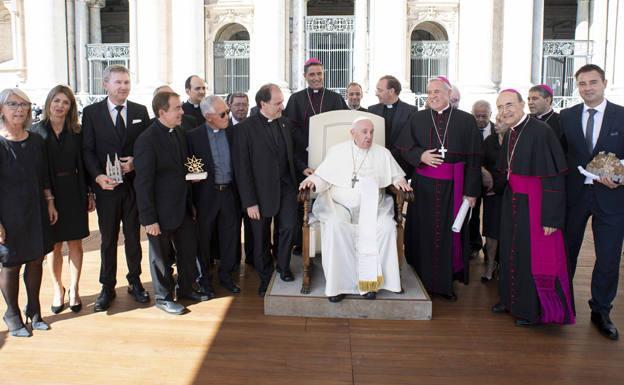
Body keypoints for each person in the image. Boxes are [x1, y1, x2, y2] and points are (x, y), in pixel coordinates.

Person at [299, 117, 411, 302]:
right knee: (336, 227)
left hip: (374, 207)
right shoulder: (337, 151)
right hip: (339, 206)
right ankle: (339, 285)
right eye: (364, 132)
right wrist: (311, 181)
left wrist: (401, 183)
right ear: (353, 133)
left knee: (386, 228)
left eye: (371, 132)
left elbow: (396, 176)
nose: (369, 136)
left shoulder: (382, 153)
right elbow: (323, 176)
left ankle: (371, 283)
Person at [491, 89, 574, 327]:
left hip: (536, 203)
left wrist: (551, 218)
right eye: (499, 107)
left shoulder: (541, 131)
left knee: (533, 257)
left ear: (522, 105)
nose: (504, 111)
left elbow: (554, 178)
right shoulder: (510, 133)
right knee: (510, 252)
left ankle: (532, 310)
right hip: (514, 202)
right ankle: (509, 301)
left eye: (509, 105)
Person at [398, 77, 482, 301]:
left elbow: (475, 158)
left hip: (454, 188)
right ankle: (420, 281)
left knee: (450, 235)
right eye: (429, 92)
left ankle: (446, 284)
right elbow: (404, 146)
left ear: (448, 93)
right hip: (424, 187)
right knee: (423, 232)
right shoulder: (418, 118)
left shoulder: (466, 120)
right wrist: (420, 155)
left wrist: (471, 192)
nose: (432, 95)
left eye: (437, 91)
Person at [560, 64, 624, 340]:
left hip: (611, 197)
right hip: (573, 197)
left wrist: (620, 174)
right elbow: (558, 154)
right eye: (582, 83)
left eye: (593, 82)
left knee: (609, 259)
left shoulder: (621, 116)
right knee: (566, 253)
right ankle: (562, 305)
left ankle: (601, 311)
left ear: (604, 83)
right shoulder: (566, 116)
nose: (587, 88)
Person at [134, 91, 210, 315]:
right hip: (159, 213)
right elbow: (143, 183)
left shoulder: (178, 132)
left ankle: (186, 288)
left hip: (183, 207)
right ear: (162, 112)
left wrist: (196, 182)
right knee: (160, 257)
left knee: (188, 250)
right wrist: (149, 219)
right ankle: (163, 297)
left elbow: (184, 166)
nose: (182, 112)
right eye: (177, 108)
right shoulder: (146, 140)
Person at [82, 64, 151, 312]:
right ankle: (107, 287)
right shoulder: (91, 113)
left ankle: (135, 282)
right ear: (105, 84)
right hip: (107, 188)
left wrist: (136, 162)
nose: (123, 87)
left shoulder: (141, 111)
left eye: (126, 82)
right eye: (118, 82)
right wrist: (98, 177)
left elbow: (147, 147)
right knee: (108, 240)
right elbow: (87, 150)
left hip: (133, 187)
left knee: (134, 237)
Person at [30, 85, 94, 314]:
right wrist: (48, 198)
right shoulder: (36, 132)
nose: (60, 105)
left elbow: (83, 165)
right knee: (54, 245)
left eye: (65, 102)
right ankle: (58, 289)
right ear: (48, 103)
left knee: (75, 242)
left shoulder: (77, 132)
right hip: (47, 192)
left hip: (73, 190)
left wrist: (89, 192)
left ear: (71, 107)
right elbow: (36, 169)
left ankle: (75, 289)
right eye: (56, 101)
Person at [233, 84, 300, 296]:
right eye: (277, 103)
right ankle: (264, 276)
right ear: (263, 103)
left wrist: (303, 168)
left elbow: (292, 154)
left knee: (289, 227)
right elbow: (242, 169)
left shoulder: (285, 123)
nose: (282, 106)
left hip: (287, 187)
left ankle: (282, 265)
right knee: (260, 237)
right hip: (259, 194)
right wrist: (249, 202)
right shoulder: (244, 129)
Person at [0, 88, 57, 337]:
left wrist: (50, 202)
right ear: (1, 110)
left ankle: (34, 310)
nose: (19, 109)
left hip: (35, 209)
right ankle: (12, 314)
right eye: (12, 104)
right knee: (11, 265)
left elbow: (43, 175)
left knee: (36, 259)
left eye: (24, 104)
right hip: (8, 214)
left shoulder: (35, 140)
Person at [187, 95, 241, 294]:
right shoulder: (193, 137)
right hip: (206, 195)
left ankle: (226, 275)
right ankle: (205, 279)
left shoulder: (233, 133)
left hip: (229, 194)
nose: (228, 115)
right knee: (203, 238)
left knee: (230, 236)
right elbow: (193, 168)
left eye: (227, 111)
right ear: (209, 116)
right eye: (223, 113)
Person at [368, 75, 417, 175]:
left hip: (400, 164)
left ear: (391, 91)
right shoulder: (372, 110)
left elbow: (409, 140)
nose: (376, 94)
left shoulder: (410, 111)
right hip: (376, 163)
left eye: (380, 90)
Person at [479, 113, 507, 282]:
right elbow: (480, 161)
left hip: (510, 192)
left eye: (501, 121)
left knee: (508, 231)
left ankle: (505, 265)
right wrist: (483, 170)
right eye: (496, 120)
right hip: (491, 193)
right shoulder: (489, 140)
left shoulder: (516, 139)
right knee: (491, 232)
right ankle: (490, 266)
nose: (497, 124)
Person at [468, 100, 493, 259]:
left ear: (491, 115)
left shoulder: (499, 130)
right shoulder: (467, 130)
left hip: (492, 182)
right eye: (476, 116)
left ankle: (491, 250)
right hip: (473, 180)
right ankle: (474, 244)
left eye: (484, 116)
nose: (480, 119)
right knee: (473, 214)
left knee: (491, 216)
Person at [527, 84, 564, 150]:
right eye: (529, 99)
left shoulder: (560, 121)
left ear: (547, 100)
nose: (530, 102)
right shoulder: (526, 119)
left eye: (534, 99)